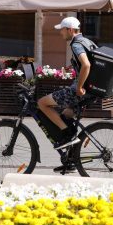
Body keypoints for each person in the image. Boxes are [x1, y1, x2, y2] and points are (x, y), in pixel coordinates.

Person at [38, 16, 94, 153]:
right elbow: (88, 61)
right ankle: (71, 158)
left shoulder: (76, 44)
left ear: (69, 30)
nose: (60, 33)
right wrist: (73, 66)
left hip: (81, 91)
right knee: (65, 115)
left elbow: (86, 64)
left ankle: (67, 134)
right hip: (92, 91)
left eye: (62, 30)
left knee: (42, 103)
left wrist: (80, 87)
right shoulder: (86, 41)